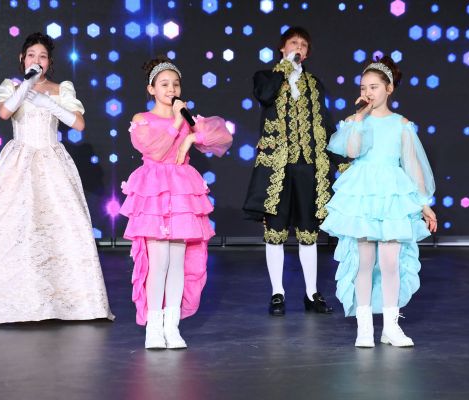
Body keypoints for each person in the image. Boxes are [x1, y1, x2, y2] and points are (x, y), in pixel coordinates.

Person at [0, 32, 113, 323]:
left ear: (49, 62)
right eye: (31, 55)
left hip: (51, 160)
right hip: (19, 161)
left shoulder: (62, 88)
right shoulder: (10, 86)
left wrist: (48, 101)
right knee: (13, 226)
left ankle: (65, 302)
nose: (36, 60)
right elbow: (4, 112)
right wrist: (27, 85)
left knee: (60, 226)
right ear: (22, 59)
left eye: (42, 56)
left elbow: (78, 123)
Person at [320, 57, 436, 348]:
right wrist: (359, 119)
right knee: (364, 261)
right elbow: (351, 151)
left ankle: (391, 327)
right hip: (363, 194)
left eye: (374, 87)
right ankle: (364, 328)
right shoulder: (355, 122)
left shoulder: (402, 125)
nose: (368, 92)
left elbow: (412, 166)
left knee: (390, 263)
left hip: (392, 196)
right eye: (363, 87)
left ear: (389, 88)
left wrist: (424, 203)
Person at [120, 57, 232, 349]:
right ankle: (153, 327)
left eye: (176, 84)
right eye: (164, 84)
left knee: (177, 262)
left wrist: (190, 139)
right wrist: (177, 125)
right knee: (159, 261)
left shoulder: (185, 115)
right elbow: (155, 151)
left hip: (181, 192)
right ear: (151, 89)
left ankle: (172, 325)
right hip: (154, 192)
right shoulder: (142, 119)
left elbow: (220, 137)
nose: (171, 89)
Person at [243, 26, 336, 316]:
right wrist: (284, 69)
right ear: (282, 48)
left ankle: (311, 293)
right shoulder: (266, 77)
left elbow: (324, 123)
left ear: (307, 53)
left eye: (303, 45)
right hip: (277, 167)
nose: (299, 48)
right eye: (294, 43)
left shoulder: (315, 84)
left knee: (309, 232)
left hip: (308, 166)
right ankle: (277, 293)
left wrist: (341, 158)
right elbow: (265, 95)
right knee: (275, 232)